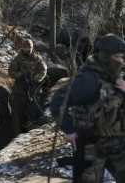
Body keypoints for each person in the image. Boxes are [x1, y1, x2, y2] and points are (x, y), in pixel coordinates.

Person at [50, 33, 125, 183]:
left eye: (123, 57)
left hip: (115, 140)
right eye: (118, 57)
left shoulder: (114, 76)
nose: (122, 61)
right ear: (104, 57)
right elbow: (58, 101)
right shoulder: (87, 79)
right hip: (89, 144)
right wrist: (69, 129)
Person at [9, 39, 47, 133]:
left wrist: (35, 79)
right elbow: (11, 72)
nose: (27, 49)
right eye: (25, 47)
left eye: (29, 47)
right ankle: (21, 130)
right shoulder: (17, 59)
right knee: (20, 110)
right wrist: (20, 76)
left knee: (35, 108)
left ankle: (34, 127)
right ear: (22, 48)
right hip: (20, 90)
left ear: (32, 47)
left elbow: (43, 70)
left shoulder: (37, 59)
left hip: (34, 88)